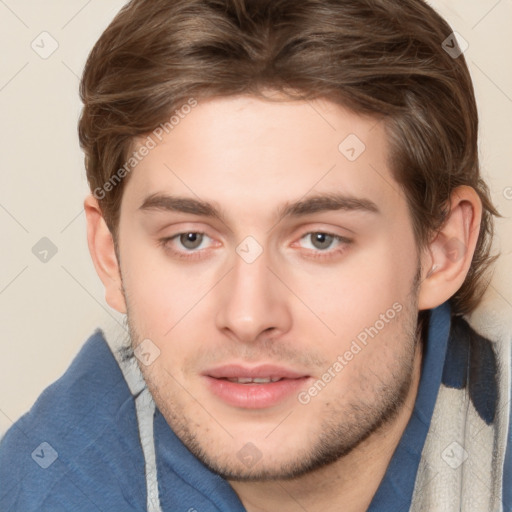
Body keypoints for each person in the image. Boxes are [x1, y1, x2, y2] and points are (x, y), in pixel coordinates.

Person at [1, 0, 510, 510]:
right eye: (190, 239)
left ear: (443, 249)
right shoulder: (45, 486)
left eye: (320, 239)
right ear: (110, 255)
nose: (248, 317)